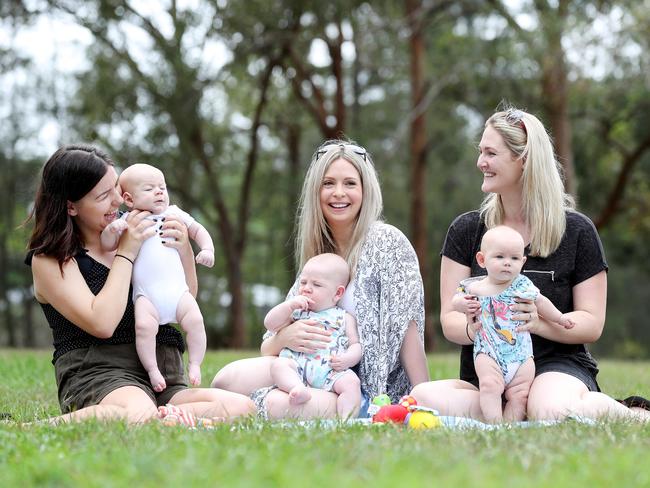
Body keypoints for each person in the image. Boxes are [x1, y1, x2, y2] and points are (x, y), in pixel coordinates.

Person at [411, 107, 650, 422]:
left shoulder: (576, 230)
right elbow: (450, 321)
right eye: (480, 151)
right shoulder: (466, 231)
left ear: (523, 160)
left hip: (555, 367)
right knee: (422, 397)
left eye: (491, 153)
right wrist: (478, 326)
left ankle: (631, 414)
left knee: (549, 408)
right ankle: (516, 410)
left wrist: (538, 322)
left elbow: (591, 323)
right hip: (488, 372)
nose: (480, 162)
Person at [25, 144, 254, 425]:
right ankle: (31, 427)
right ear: (71, 206)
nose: (117, 202)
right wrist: (127, 251)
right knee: (138, 413)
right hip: (100, 372)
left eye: (116, 190)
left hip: (161, 372)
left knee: (242, 407)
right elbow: (102, 322)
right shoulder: (52, 259)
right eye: (103, 196)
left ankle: (165, 419)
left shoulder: (140, 224)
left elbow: (183, 297)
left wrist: (184, 252)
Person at [211, 139, 429, 419]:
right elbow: (269, 345)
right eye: (328, 183)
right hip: (306, 368)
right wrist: (286, 337)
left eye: (350, 183)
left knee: (273, 404)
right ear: (317, 190)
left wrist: (422, 396)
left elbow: (406, 327)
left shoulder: (386, 243)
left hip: (356, 385)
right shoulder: (320, 254)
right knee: (225, 380)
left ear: (365, 190)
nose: (339, 193)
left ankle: (272, 406)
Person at [101, 163, 213, 392]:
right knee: (143, 327)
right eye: (150, 188)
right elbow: (107, 245)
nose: (160, 192)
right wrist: (112, 230)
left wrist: (207, 249)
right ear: (129, 199)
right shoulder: (129, 220)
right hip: (147, 296)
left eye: (162, 187)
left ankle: (195, 364)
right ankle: (153, 370)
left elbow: (198, 230)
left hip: (178, 292)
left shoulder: (174, 213)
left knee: (195, 322)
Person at [452, 225, 575, 423]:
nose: (507, 263)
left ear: (523, 262)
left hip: (521, 354)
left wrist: (559, 317)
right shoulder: (474, 286)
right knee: (490, 386)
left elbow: (541, 302)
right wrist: (461, 304)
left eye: (514, 258)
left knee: (520, 394)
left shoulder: (522, 284)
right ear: (482, 260)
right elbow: (455, 301)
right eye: (500, 257)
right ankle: (494, 425)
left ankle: (510, 428)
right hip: (488, 351)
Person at [265, 253, 361, 418]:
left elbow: (356, 345)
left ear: (337, 293)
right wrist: (288, 306)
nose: (306, 288)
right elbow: (270, 324)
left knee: (352, 383)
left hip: (331, 370)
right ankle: (297, 388)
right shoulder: (297, 310)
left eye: (316, 284)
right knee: (279, 366)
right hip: (297, 366)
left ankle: (347, 420)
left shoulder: (344, 317)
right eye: (303, 282)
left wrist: (347, 359)